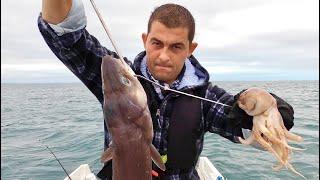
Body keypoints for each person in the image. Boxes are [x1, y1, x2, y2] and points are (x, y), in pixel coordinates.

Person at [38, 0, 295, 179]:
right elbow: (65, 37)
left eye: (175, 47)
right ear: (145, 40)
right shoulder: (119, 78)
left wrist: (264, 102)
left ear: (190, 48)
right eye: (156, 43)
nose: (163, 56)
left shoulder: (203, 96)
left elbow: (245, 121)